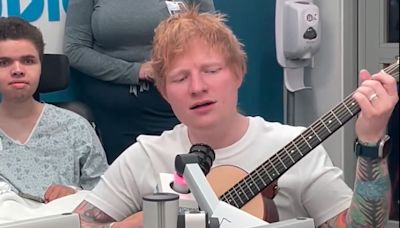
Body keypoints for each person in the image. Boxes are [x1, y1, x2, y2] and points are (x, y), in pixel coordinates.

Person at [73, 9, 399, 228]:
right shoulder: (144, 156)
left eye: (211, 71)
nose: (198, 87)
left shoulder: (293, 145)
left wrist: (371, 141)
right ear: (163, 90)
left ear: (238, 73)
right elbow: (82, 223)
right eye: (180, 78)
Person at [64, 0, 215, 163]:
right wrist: (136, 71)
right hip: (116, 110)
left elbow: (213, 41)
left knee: (186, 177)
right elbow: (74, 50)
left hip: (177, 102)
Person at [0, 17, 109, 203]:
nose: (17, 70)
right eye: (4, 62)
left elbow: (108, 196)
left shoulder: (75, 127)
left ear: (41, 66)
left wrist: (75, 192)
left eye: (28, 61)